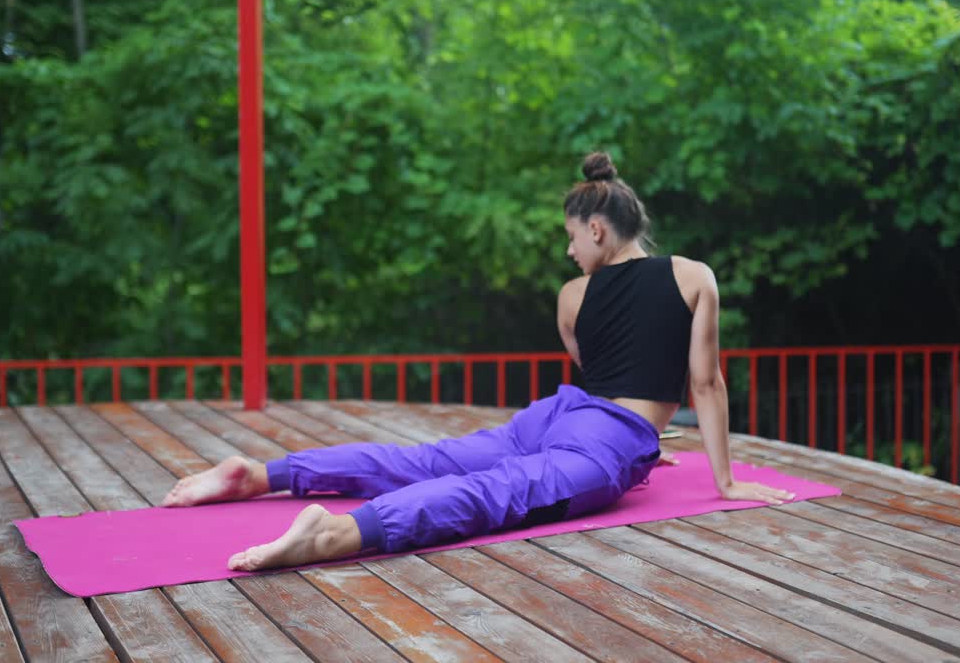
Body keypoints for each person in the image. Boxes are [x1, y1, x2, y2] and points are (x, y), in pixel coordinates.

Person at [161, 151, 795, 571]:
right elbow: (704, 384)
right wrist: (723, 481)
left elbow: (600, 366)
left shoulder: (572, 298)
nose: (569, 249)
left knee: (418, 462)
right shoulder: (693, 277)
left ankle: (262, 474)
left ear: (596, 229)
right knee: (491, 495)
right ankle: (334, 535)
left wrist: (639, 439)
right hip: (607, 438)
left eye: (570, 236)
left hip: (556, 416)